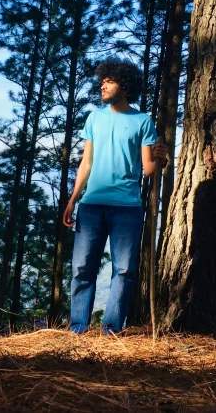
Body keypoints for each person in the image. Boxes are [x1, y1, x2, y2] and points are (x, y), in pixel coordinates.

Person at [64, 58, 168, 334]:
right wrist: (73, 199)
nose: (103, 86)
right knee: (82, 268)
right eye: (102, 81)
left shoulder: (142, 121)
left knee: (124, 271)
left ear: (124, 85)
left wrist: (162, 159)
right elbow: (86, 163)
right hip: (91, 205)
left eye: (109, 81)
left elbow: (147, 169)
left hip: (127, 208)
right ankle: (77, 329)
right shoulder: (94, 117)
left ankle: (111, 330)